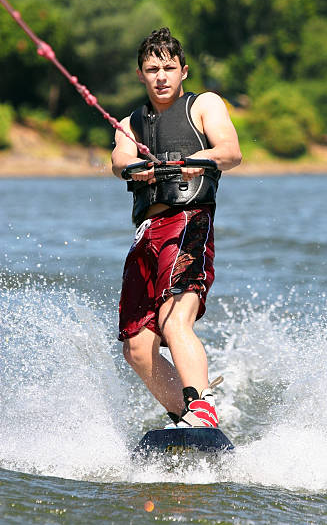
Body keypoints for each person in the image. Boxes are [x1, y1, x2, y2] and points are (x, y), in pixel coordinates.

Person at [111, 27, 241, 428]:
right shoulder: (128, 124)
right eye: (152, 69)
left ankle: (201, 407)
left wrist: (187, 162)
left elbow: (230, 152)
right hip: (146, 235)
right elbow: (119, 162)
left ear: (183, 71)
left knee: (173, 316)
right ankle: (185, 418)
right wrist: (138, 168)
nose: (161, 76)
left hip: (188, 223)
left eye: (169, 68)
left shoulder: (205, 105)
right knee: (136, 346)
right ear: (141, 75)